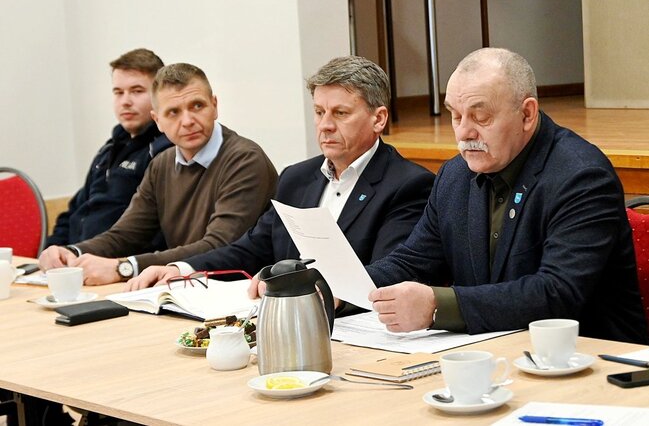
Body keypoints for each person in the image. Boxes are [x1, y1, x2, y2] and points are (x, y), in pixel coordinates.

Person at [366, 47, 649, 344]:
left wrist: (438, 306)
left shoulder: (582, 177)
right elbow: (413, 261)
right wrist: (342, 292)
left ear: (527, 114)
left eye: (480, 117)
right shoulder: (455, 175)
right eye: (456, 116)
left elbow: (557, 292)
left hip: (590, 357)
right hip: (496, 350)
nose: (464, 133)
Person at [125, 55, 435, 317]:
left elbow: (389, 271)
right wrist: (181, 269)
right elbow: (251, 248)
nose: (325, 125)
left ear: (378, 119)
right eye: (319, 112)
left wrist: (311, 287)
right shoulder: (296, 178)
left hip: (355, 331)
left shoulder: (408, 184)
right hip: (282, 321)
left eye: (340, 113)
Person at [39, 63, 278, 285]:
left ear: (214, 106)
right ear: (158, 121)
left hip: (236, 294)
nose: (188, 121)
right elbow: (126, 234)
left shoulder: (245, 159)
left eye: (197, 106)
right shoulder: (161, 164)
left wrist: (125, 267)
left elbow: (219, 245)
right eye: (173, 112)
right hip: (180, 291)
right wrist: (71, 252)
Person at [46, 48, 172, 248]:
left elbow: (155, 231)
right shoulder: (108, 150)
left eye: (137, 91)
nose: (125, 101)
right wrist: (52, 250)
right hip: (76, 257)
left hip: (113, 260)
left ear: (160, 95)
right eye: (118, 92)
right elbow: (74, 212)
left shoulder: (166, 151)